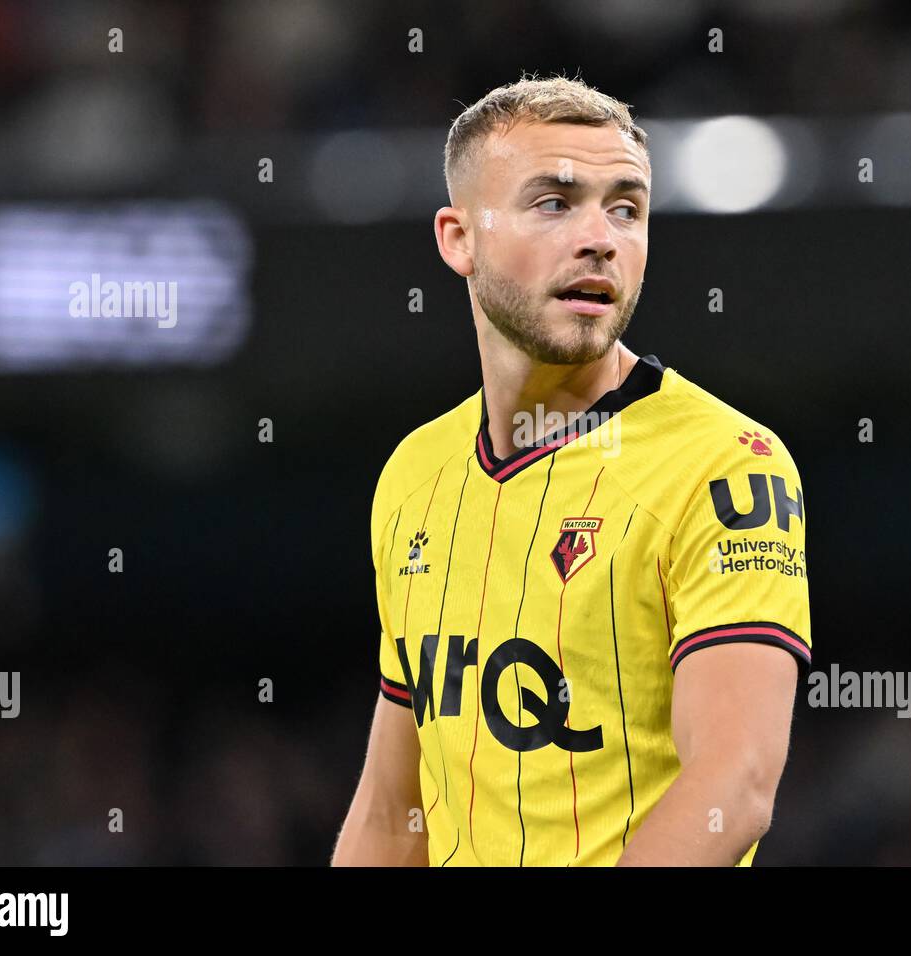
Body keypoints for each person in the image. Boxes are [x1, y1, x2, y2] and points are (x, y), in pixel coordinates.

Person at [332, 74, 810, 867]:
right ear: (460, 238)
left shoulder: (727, 466)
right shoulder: (413, 474)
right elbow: (393, 810)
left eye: (625, 207)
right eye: (554, 203)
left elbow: (736, 782)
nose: (601, 237)